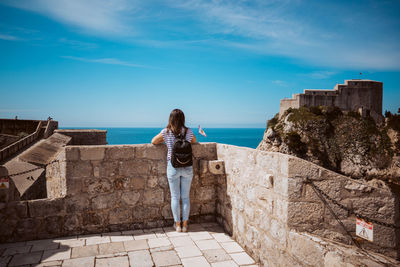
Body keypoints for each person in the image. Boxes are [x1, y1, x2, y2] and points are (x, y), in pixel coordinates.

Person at [151, 109, 197, 232]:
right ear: (183, 119)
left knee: (175, 197)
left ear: (170, 119)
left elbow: (153, 141)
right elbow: (195, 142)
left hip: (173, 167)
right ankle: (185, 225)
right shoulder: (188, 131)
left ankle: (177, 225)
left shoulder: (166, 132)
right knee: (186, 197)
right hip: (187, 167)